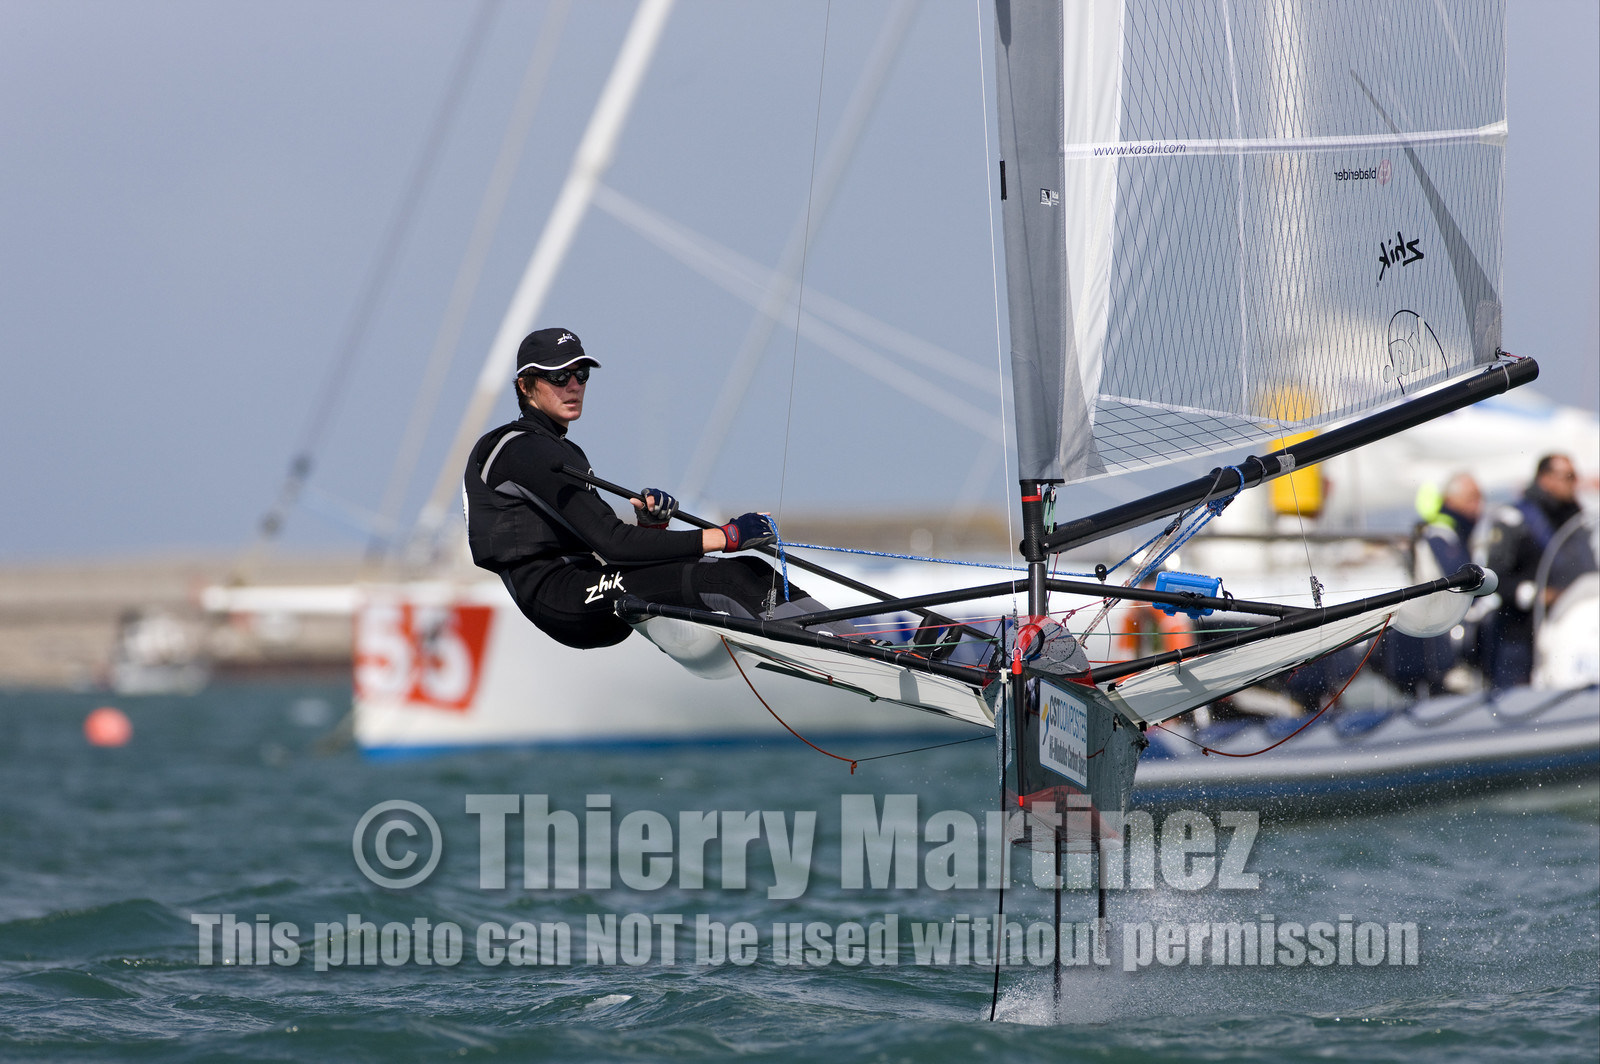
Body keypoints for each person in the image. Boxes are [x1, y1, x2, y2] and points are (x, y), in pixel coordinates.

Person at [463, 327, 850, 649]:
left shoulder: (557, 447)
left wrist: (649, 525)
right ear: (526, 386)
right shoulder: (523, 449)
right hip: (561, 600)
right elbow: (613, 543)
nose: (574, 385)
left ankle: (861, 640)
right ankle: (843, 649)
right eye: (559, 376)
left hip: (587, 584)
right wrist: (725, 536)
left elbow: (611, 543)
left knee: (750, 567)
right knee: (721, 578)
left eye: (582, 374)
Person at [1482, 454, 1596, 688]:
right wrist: (1537, 594)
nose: (1574, 483)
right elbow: (1495, 577)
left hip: (1568, 631)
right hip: (1520, 634)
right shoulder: (1514, 519)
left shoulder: (1577, 520)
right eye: (1568, 476)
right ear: (1546, 479)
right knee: (1516, 701)